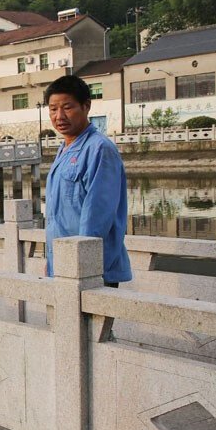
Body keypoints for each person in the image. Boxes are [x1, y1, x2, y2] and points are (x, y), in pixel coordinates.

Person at [43, 75, 131, 286]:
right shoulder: (64, 149)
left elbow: (97, 216)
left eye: (67, 107)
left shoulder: (99, 149)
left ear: (86, 106)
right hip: (64, 266)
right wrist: (51, 260)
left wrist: (81, 266)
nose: (59, 116)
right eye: (53, 109)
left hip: (89, 268)